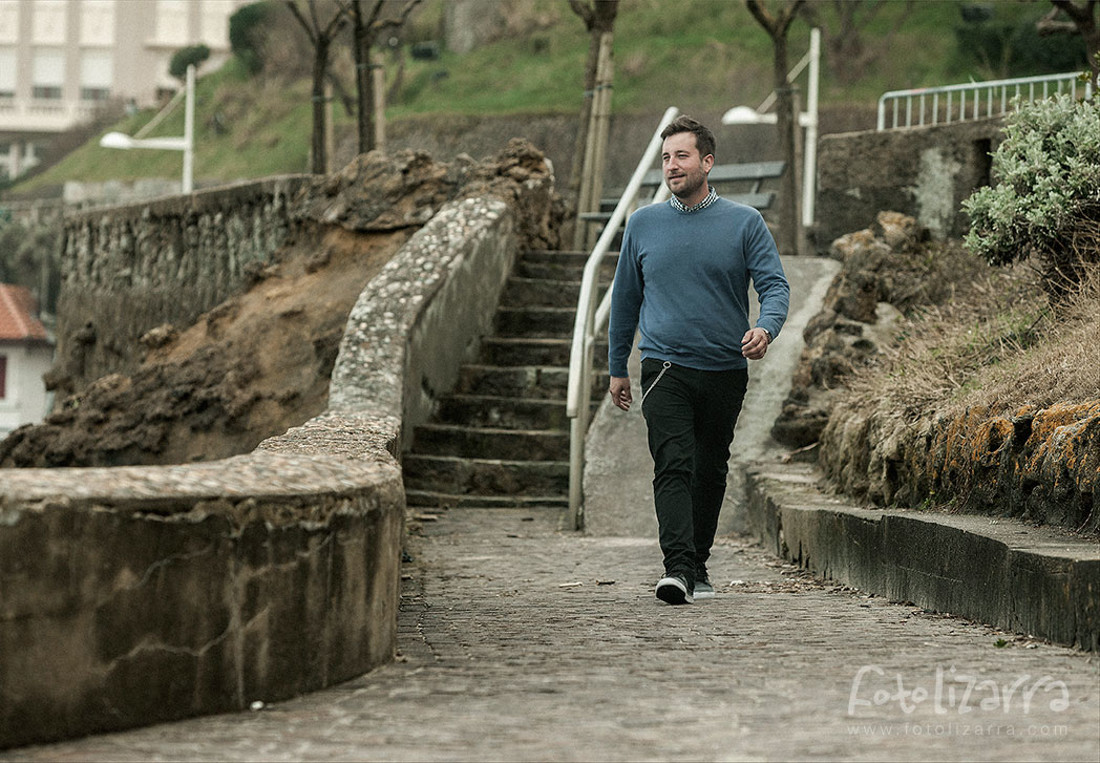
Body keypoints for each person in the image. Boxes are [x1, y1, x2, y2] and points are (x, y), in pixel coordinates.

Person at [607, 115, 790, 605]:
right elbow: (625, 299)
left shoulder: (744, 222)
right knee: (673, 464)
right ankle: (677, 569)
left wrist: (765, 327)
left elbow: (774, 286)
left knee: (709, 469)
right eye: (666, 157)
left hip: (725, 370)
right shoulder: (643, 224)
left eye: (682, 156)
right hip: (663, 366)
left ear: (708, 162)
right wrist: (617, 365)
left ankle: (699, 565)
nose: (672, 165)